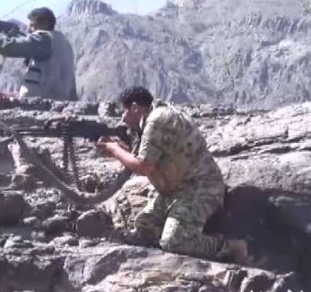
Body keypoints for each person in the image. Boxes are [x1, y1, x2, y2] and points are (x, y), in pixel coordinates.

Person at [96, 86, 249, 264]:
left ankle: (231, 247)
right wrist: (121, 150)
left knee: (174, 242)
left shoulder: (157, 120)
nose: (122, 118)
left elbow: (144, 167)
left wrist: (114, 150)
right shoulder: (153, 119)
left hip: (200, 190)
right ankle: (184, 240)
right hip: (176, 191)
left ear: (135, 108)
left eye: (124, 111)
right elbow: (149, 156)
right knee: (144, 226)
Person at [0, 7, 78, 101]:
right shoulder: (63, 41)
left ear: (46, 23)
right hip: (59, 100)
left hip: (40, 101)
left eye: (33, 26)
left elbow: (5, 46)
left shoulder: (43, 39)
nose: (29, 30)